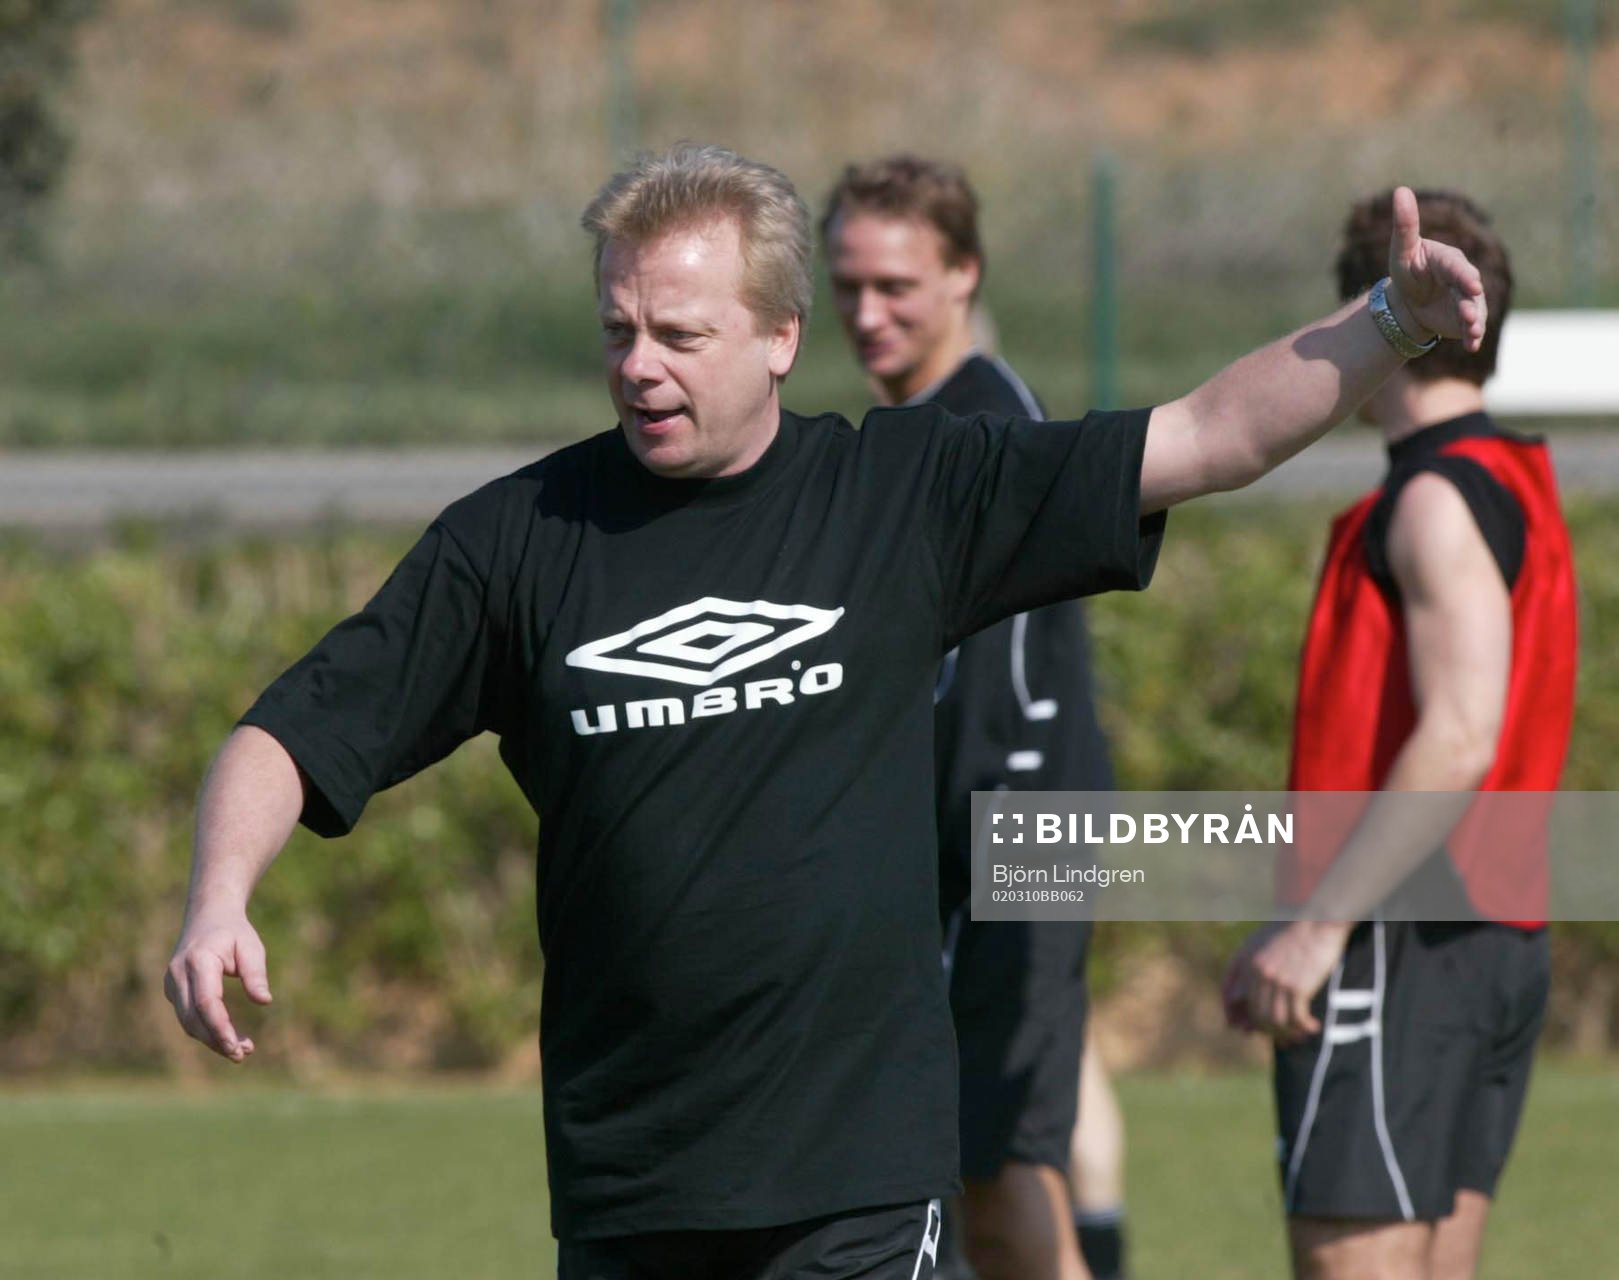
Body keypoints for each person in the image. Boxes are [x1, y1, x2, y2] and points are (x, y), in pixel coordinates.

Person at [164, 142, 1486, 1280]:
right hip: (632, 1187)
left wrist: (1385, 321)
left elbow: (1203, 437)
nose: (638, 367)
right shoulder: (515, 543)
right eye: (617, 331)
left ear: (780, 337)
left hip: (856, 1181)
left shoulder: (904, 496)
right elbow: (291, 729)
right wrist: (220, 895)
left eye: (679, 335)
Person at [1222, 190, 1576, 1280]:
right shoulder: (1521, 477)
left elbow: (1460, 734)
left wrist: (1317, 928)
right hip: (1487, 935)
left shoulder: (1431, 498)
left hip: (1400, 940)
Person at [820, 154, 1110, 1280]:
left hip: (1011, 854)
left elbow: (1001, 697)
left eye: (895, 284)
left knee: (997, 1181)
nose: (866, 311)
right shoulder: (923, 425)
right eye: (846, 284)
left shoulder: (983, 428)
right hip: (973, 864)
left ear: (961, 274)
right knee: (983, 1172)